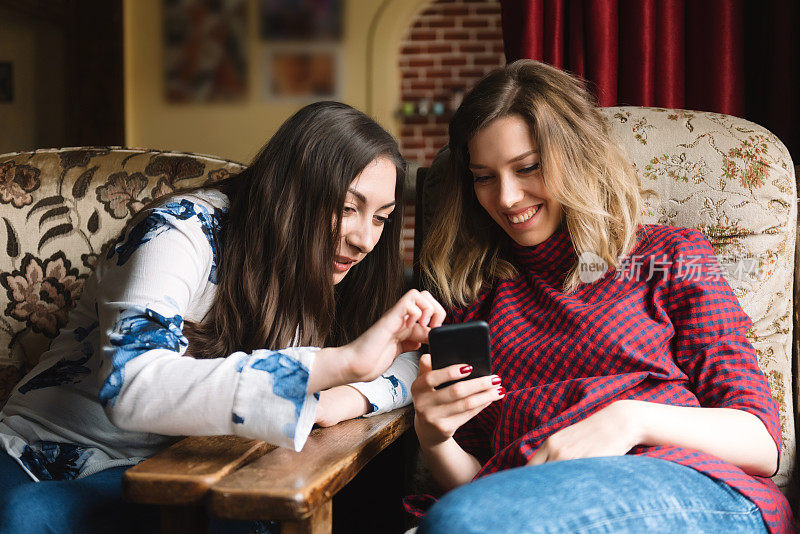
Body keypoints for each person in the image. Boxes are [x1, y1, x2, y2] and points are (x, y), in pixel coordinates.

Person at [0, 101, 445, 533]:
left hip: (177, 469)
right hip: (39, 450)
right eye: (347, 208)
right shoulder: (181, 231)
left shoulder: (338, 270)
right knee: (28, 513)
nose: (365, 238)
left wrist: (341, 399)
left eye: (381, 218)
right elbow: (131, 384)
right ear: (291, 190)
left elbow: (411, 361)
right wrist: (339, 363)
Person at [409, 60, 793, 533]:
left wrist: (628, 420)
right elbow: (480, 488)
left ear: (576, 157)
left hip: (689, 482)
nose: (507, 197)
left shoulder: (669, 256)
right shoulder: (472, 298)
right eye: (484, 177)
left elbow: (761, 441)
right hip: (529, 505)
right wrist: (434, 439)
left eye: (527, 168)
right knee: (457, 522)